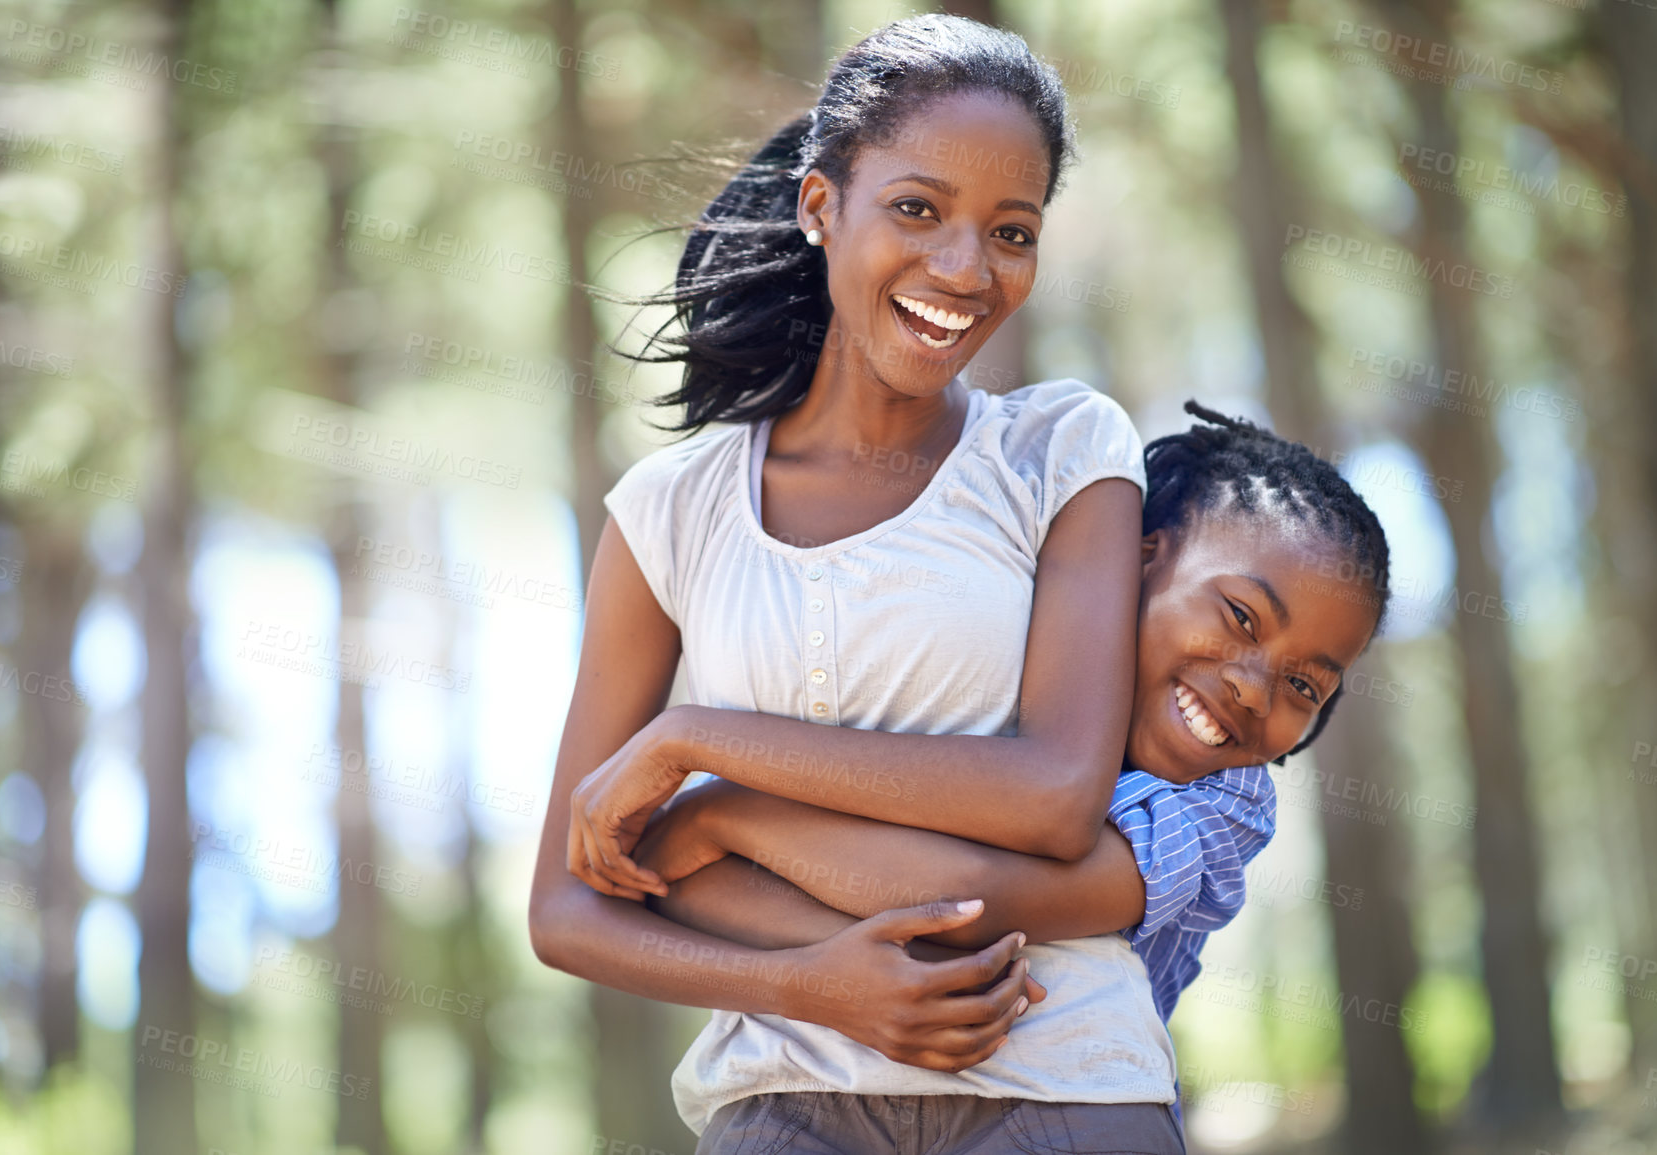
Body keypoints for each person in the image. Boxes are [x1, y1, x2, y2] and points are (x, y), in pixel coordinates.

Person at [529, 14, 1387, 1154]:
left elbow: (1051, 797)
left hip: (1067, 1084)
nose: (965, 269)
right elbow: (568, 905)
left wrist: (706, 758)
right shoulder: (668, 514)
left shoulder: (1065, 451)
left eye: (1013, 231)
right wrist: (813, 984)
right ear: (822, 206)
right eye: (918, 210)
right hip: (780, 1100)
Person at [576, 403, 1392, 1151]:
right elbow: (668, 881)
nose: (1255, 686)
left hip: (1060, 1095)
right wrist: (824, 977)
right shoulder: (998, 662)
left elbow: (967, 907)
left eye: (1304, 687)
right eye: (1241, 616)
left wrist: (726, 814)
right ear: (1136, 557)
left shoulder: (1225, 802)